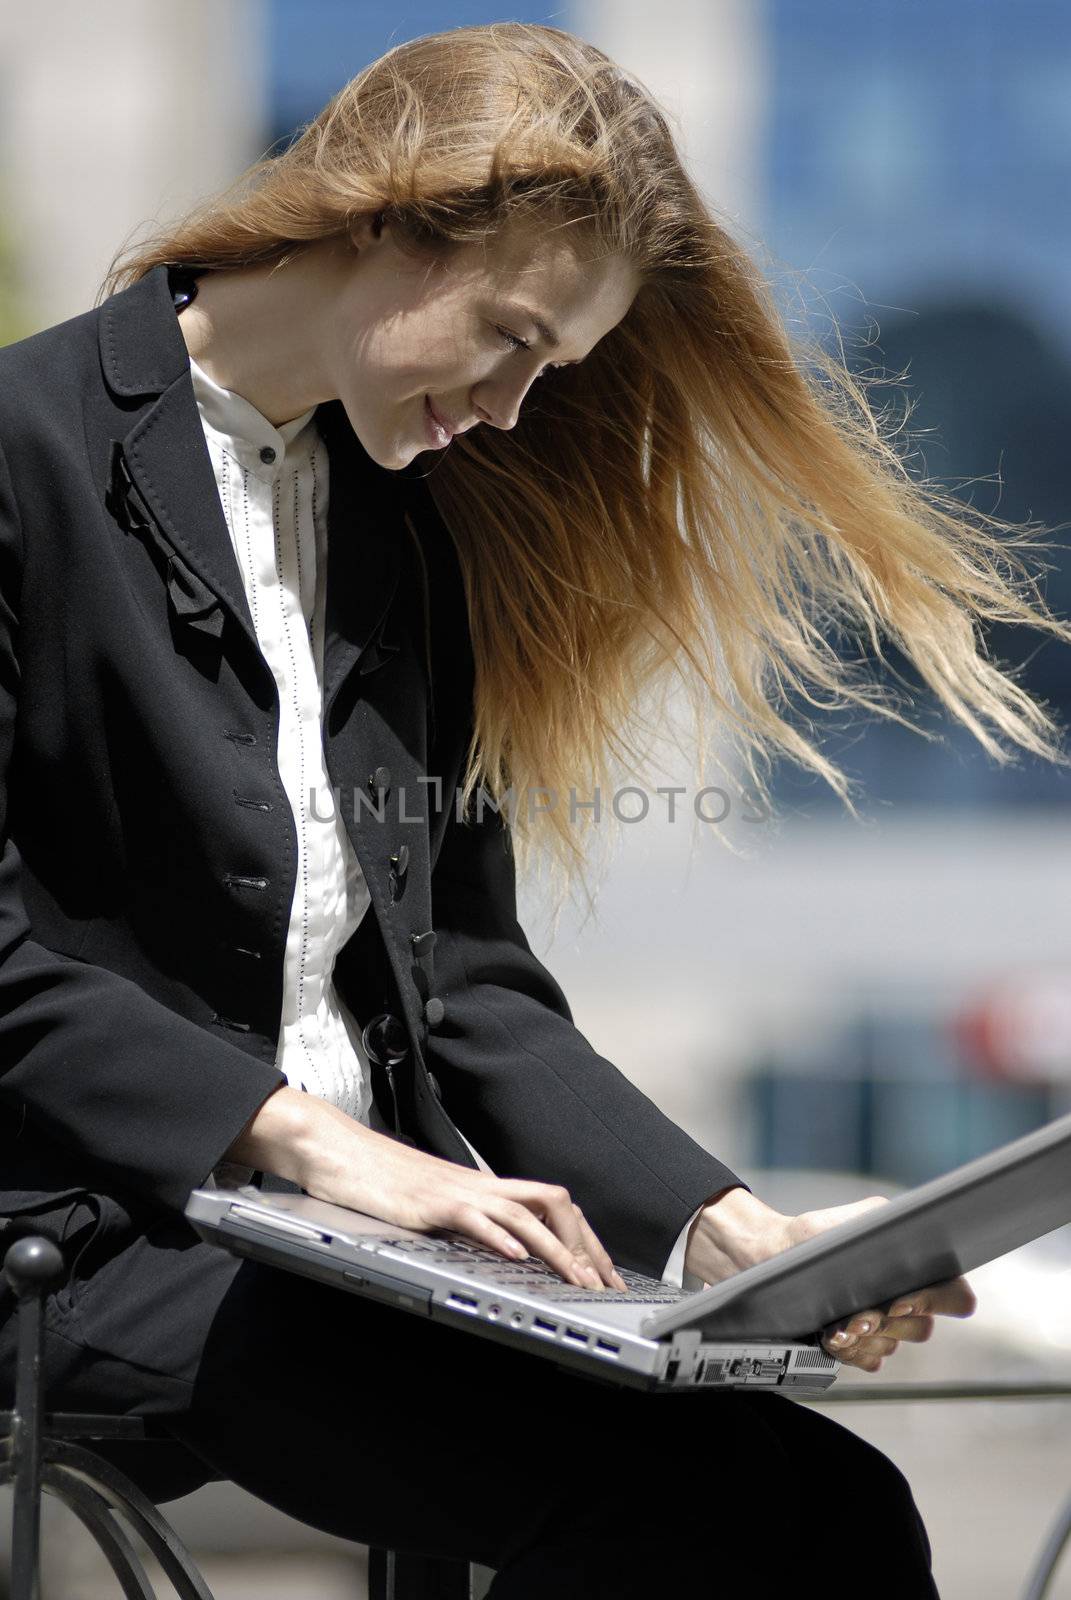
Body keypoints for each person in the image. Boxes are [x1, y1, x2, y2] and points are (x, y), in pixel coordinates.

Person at [0, 21, 1065, 1596]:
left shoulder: (396, 532)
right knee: (669, 1514)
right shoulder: (25, 453)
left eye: (550, 372)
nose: (508, 410)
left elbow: (469, 988)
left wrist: (727, 1235)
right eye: (509, 337)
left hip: (358, 1261)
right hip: (92, 1232)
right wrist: (308, 1146)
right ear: (380, 213)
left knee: (840, 1511)